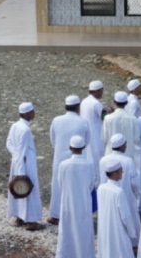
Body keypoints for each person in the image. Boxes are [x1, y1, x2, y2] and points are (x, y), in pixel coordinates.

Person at [49, 95, 90, 225]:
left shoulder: (56, 120)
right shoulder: (83, 122)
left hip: (59, 157)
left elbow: (53, 139)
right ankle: (75, 214)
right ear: (78, 107)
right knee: (76, 186)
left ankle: (55, 214)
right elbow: (86, 141)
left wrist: (60, 149)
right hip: (77, 157)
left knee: (57, 185)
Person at [5, 102, 43, 230]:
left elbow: (9, 143)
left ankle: (19, 217)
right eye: (32, 111)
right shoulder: (25, 130)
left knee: (18, 190)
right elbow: (22, 151)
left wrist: (15, 156)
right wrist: (21, 173)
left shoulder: (15, 125)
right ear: (27, 114)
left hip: (16, 161)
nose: (34, 114)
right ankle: (31, 221)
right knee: (27, 188)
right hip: (25, 164)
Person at [99, 133, 141, 241]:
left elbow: (102, 180)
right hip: (126, 196)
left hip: (108, 197)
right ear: (122, 145)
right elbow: (134, 182)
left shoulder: (103, 160)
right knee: (128, 218)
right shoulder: (128, 161)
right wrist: (137, 194)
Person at [97, 156, 138, 258]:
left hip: (105, 228)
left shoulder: (101, 188)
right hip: (118, 229)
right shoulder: (118, 192)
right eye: (120, 170)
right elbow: (125, 216)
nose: (122, 172)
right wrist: (132, 232)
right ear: (115, 173)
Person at [102, 91, 140, 162]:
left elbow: (104, 138)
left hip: (110, 154)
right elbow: (136, 138)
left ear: (114, 102)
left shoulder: (107, 118)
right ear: (126, 103)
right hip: (128, 155)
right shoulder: (133, 119)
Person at [82, 80, 107, 167]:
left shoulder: (84, 102)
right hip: (96, 135)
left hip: (86, 135)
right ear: (97, 91)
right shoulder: (96, 103)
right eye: (101, 91)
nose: (102, 93)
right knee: (98, 159)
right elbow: (104, 117)